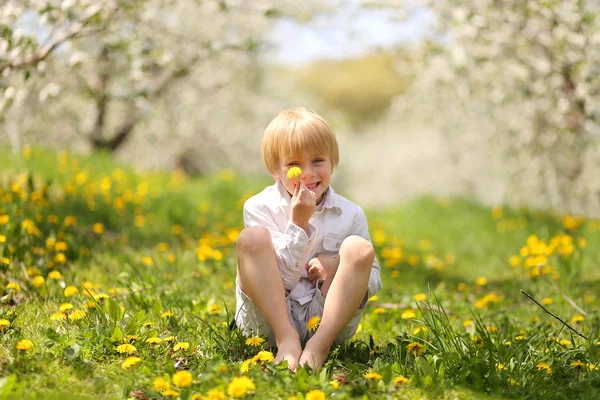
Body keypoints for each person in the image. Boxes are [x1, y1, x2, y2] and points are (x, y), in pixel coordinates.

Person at [234, 107, 382, 370]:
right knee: (251, 239)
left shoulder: (350, 214)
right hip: (270, 320)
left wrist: (335, 266)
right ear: (275, 170)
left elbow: (373, 279)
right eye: (293, 165)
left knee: (359, 249)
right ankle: (286, 339)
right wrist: (298, 224)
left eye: (317, 161)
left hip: (328, 319)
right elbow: (280, 280)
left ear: (332, 162)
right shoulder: (260, 207)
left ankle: (318, 346)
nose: (307, 173)